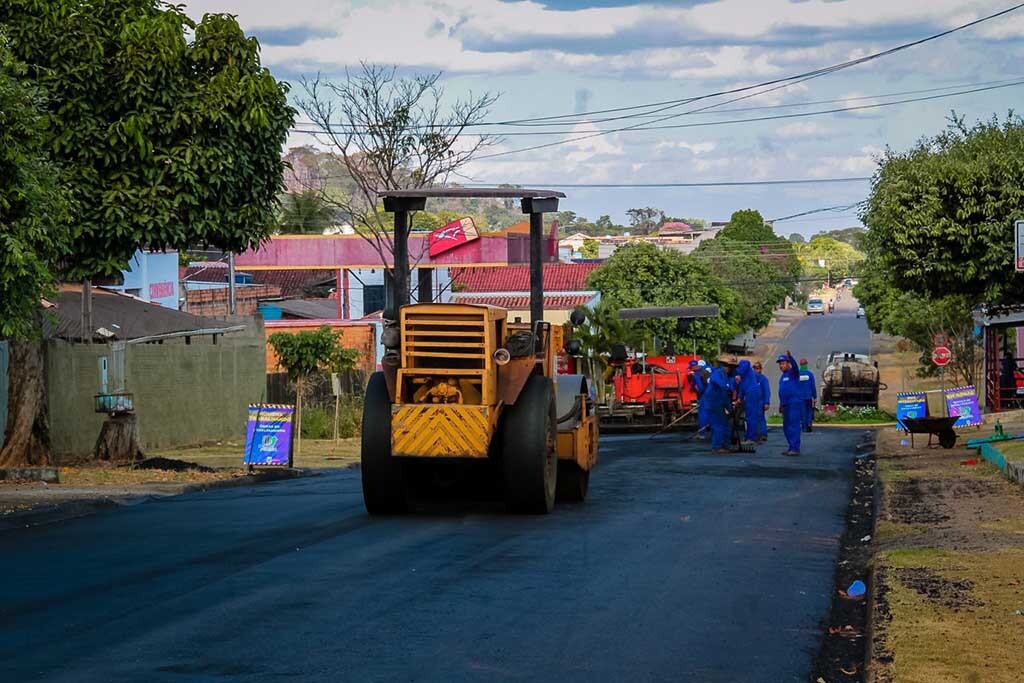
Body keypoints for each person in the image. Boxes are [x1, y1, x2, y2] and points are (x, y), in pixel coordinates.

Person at [705, 359, 736, 454]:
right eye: (729, 367)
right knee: (718, 425)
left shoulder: (726, 376)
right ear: (725, 367)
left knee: (725, 425)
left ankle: (725, 445)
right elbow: (719, 383)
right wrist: (727, 387)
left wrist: (730, 409)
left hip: (719, 404)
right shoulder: (718, 374)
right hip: (713, 403)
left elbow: (726, 395)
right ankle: (717, 446)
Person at [776, 352, 802, 456]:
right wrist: (781, 404)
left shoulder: (793, 373)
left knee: (793, 425)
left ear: (788, 364)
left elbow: (795, 366)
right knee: (786, 426)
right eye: (780, 364)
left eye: (783, 363)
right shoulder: (783, 377)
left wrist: (791, 357)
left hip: (794, 403)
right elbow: (782, 391)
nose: (781, 366)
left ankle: (795, 448)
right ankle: (791, 446)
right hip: (785, 404)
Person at [735, 359, 762, 444]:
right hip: (751, 393)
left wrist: (740, 397)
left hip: (752, 393)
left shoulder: (745, 369)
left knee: (751, 416)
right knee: (750, 416)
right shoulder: (746, 376)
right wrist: (739, 397)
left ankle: (751, 438)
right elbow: (742, 387)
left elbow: (742, 386)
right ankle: (750, 436)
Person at [753, 361, 771, 442]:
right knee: (753, 419)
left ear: (760, 369)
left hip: (760, 402)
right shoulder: (751, 379)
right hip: (752, 402)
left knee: (761, 418)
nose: (756, 370)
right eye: (755, 368)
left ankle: (763, 434)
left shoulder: (763, 379)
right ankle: (755, 434)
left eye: (758, 368)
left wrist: (766, 402)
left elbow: (767, 391)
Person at [798, 358, 817, 433]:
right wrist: (815, 396)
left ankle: (804, 426)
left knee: (802, 411)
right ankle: (809, 423)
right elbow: (813, 386)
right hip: (808, 396)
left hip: (800, 397)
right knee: (809, 410)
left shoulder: (797, 375)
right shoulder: (810, 374)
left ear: (800, 365)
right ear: (806, 365)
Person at [694, 359, 712, 438]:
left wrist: (696, 390)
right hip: (712, 395)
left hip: (704, 396)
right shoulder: (709, 371)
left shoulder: (697, 374)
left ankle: (702, 434)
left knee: (703, 414)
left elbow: (700, 388)